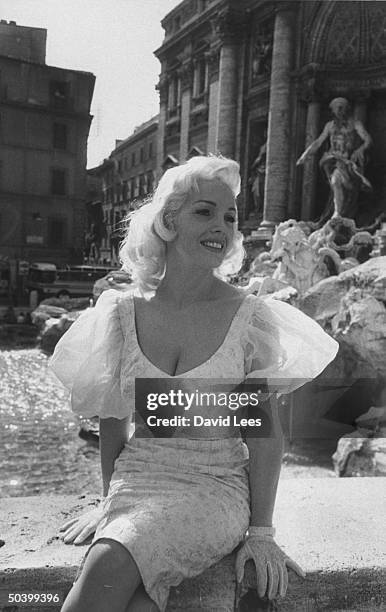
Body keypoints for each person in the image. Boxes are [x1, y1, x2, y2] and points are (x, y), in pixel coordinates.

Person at [50, 156, 339, 612]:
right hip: (138, 477)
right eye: (204, 211)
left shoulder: (250, 318)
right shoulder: (121, 314)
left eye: (229, 216)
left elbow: (263, 437)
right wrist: (109, 505)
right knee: (139, 602)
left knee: (109, 561)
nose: (221, 226)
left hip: (216, 484)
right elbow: (112, 419)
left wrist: (261, 534)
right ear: (168, 220)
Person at [296, 97, 372, 218]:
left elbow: (368, 140)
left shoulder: (355, 123)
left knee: (348, 188)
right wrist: (305, 155)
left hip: (348, 161)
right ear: (333, 111)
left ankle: (341, 212)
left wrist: (359, 150)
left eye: (342, 107)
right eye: (337, 108)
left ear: (347, 109)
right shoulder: (329, 125)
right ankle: (337, 213)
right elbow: (318, 142)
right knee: (335, 181)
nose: (340, 110)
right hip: (333, 159)